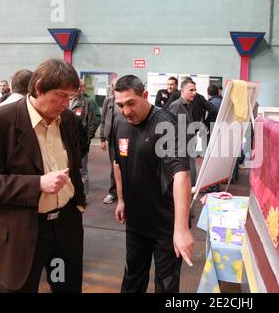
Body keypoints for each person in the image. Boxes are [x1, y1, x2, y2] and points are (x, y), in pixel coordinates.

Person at [0, 58, 85, 293]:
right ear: (39, 87)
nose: (66, 103)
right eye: (61, 95)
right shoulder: (0, 122)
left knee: (64, 286)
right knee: (20, 287)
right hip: (24, 231)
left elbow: (75, 158)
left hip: (65, 228)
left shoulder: (68, 120)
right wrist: (38, 184)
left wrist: (77, 205)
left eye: (70, 96)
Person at [113, 75, 193, 293]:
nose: (126, 111)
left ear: (145, 96)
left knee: (166, 286)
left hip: (165, 226)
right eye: (120, 105)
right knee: (132, 280)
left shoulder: (165, 124)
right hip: (136, 223)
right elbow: (117, 163)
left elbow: (181, 175)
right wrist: (121, 200)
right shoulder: (120, 122)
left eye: (131, 103)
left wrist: (181, 229)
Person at [70, 79, 100, 200]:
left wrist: (87, 138)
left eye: (80, 86)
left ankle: (83, 196)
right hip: (68, 142)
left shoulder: (87, 102)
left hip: (81, 143)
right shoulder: (66, 101)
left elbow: (94, 121)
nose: (78, 89)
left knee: (82, 170)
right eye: (76, 87)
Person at [100, 78, 119, 204]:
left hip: (124, 139)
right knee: (114, 167)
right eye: (113, 86)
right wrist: (102, 139)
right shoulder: (108, 101)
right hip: (111, 139)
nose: (115, 88)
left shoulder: (125, 101)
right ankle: (113, 193)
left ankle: (127, 193)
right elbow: (103, 120)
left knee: (127, 167)